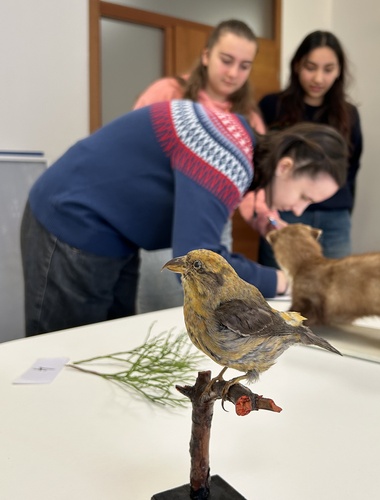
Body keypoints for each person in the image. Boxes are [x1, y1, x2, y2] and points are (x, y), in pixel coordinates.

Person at [20, 99, 348, 336]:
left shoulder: (238, 137)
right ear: (286, 166)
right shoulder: (225, 160)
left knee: (104, 342)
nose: (299, 210)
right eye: (305, 196)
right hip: (71, 222)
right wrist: (285, 281)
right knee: (66, 350)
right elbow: (200, 267)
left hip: (112, 235)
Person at [133, 19, 268, 313]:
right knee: (158, 312)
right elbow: (135, 154)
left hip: (216, 227)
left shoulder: (248, 117)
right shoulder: (168, 93)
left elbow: (250, 189)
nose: (233, 73)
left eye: (244, 66)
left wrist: (264, 217)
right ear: (206, 55)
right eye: (226, 60)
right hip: (161, 224)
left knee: (208, 316)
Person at [257, 30, 363, 267]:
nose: (318, 78)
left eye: (328, 69)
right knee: (280, 286)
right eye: (310, 67)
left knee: (336, 289)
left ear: (339, 71)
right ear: (297, 65)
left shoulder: (348, 115)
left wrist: (340, 205)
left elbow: (352, 167)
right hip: (281, 213)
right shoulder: (272, 105)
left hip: (335, 218)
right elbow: (260, 160)